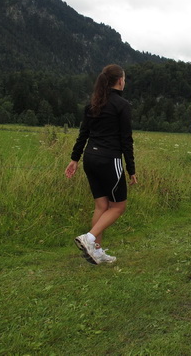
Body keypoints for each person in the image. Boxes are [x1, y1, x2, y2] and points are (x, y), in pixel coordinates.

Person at [65, 64, 138, 265]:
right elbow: (126, 140)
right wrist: (131, 169)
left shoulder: (93, 104)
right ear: (120, 81)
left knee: (102, 205)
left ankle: (96, 251)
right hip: (109, 160)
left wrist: (74, 159)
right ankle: (89, 238)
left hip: (90, 158)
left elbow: (83, 134)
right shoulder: (122, 105)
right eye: (124, 78)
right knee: (118, 206)